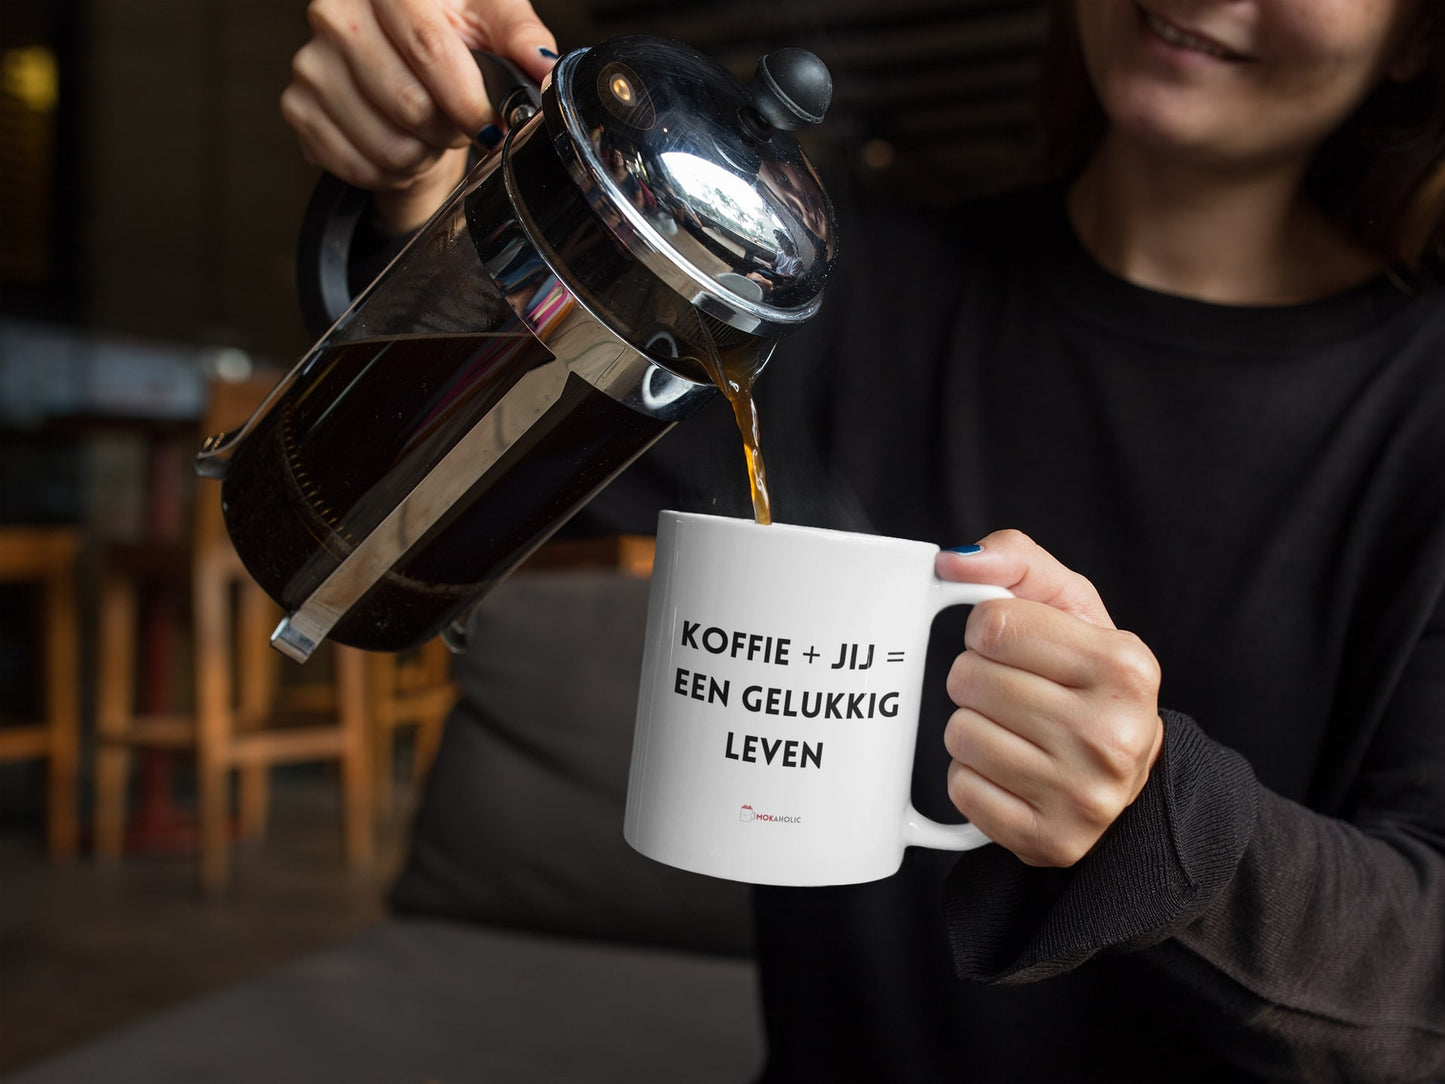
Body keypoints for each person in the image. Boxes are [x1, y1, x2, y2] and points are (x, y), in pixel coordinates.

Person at [280, 0, 1445, 1078]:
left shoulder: (1417, 407)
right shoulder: (828, 294)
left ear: (1414, 35)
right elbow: (442, 481)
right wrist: (430, 192)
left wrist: (1157, 823)